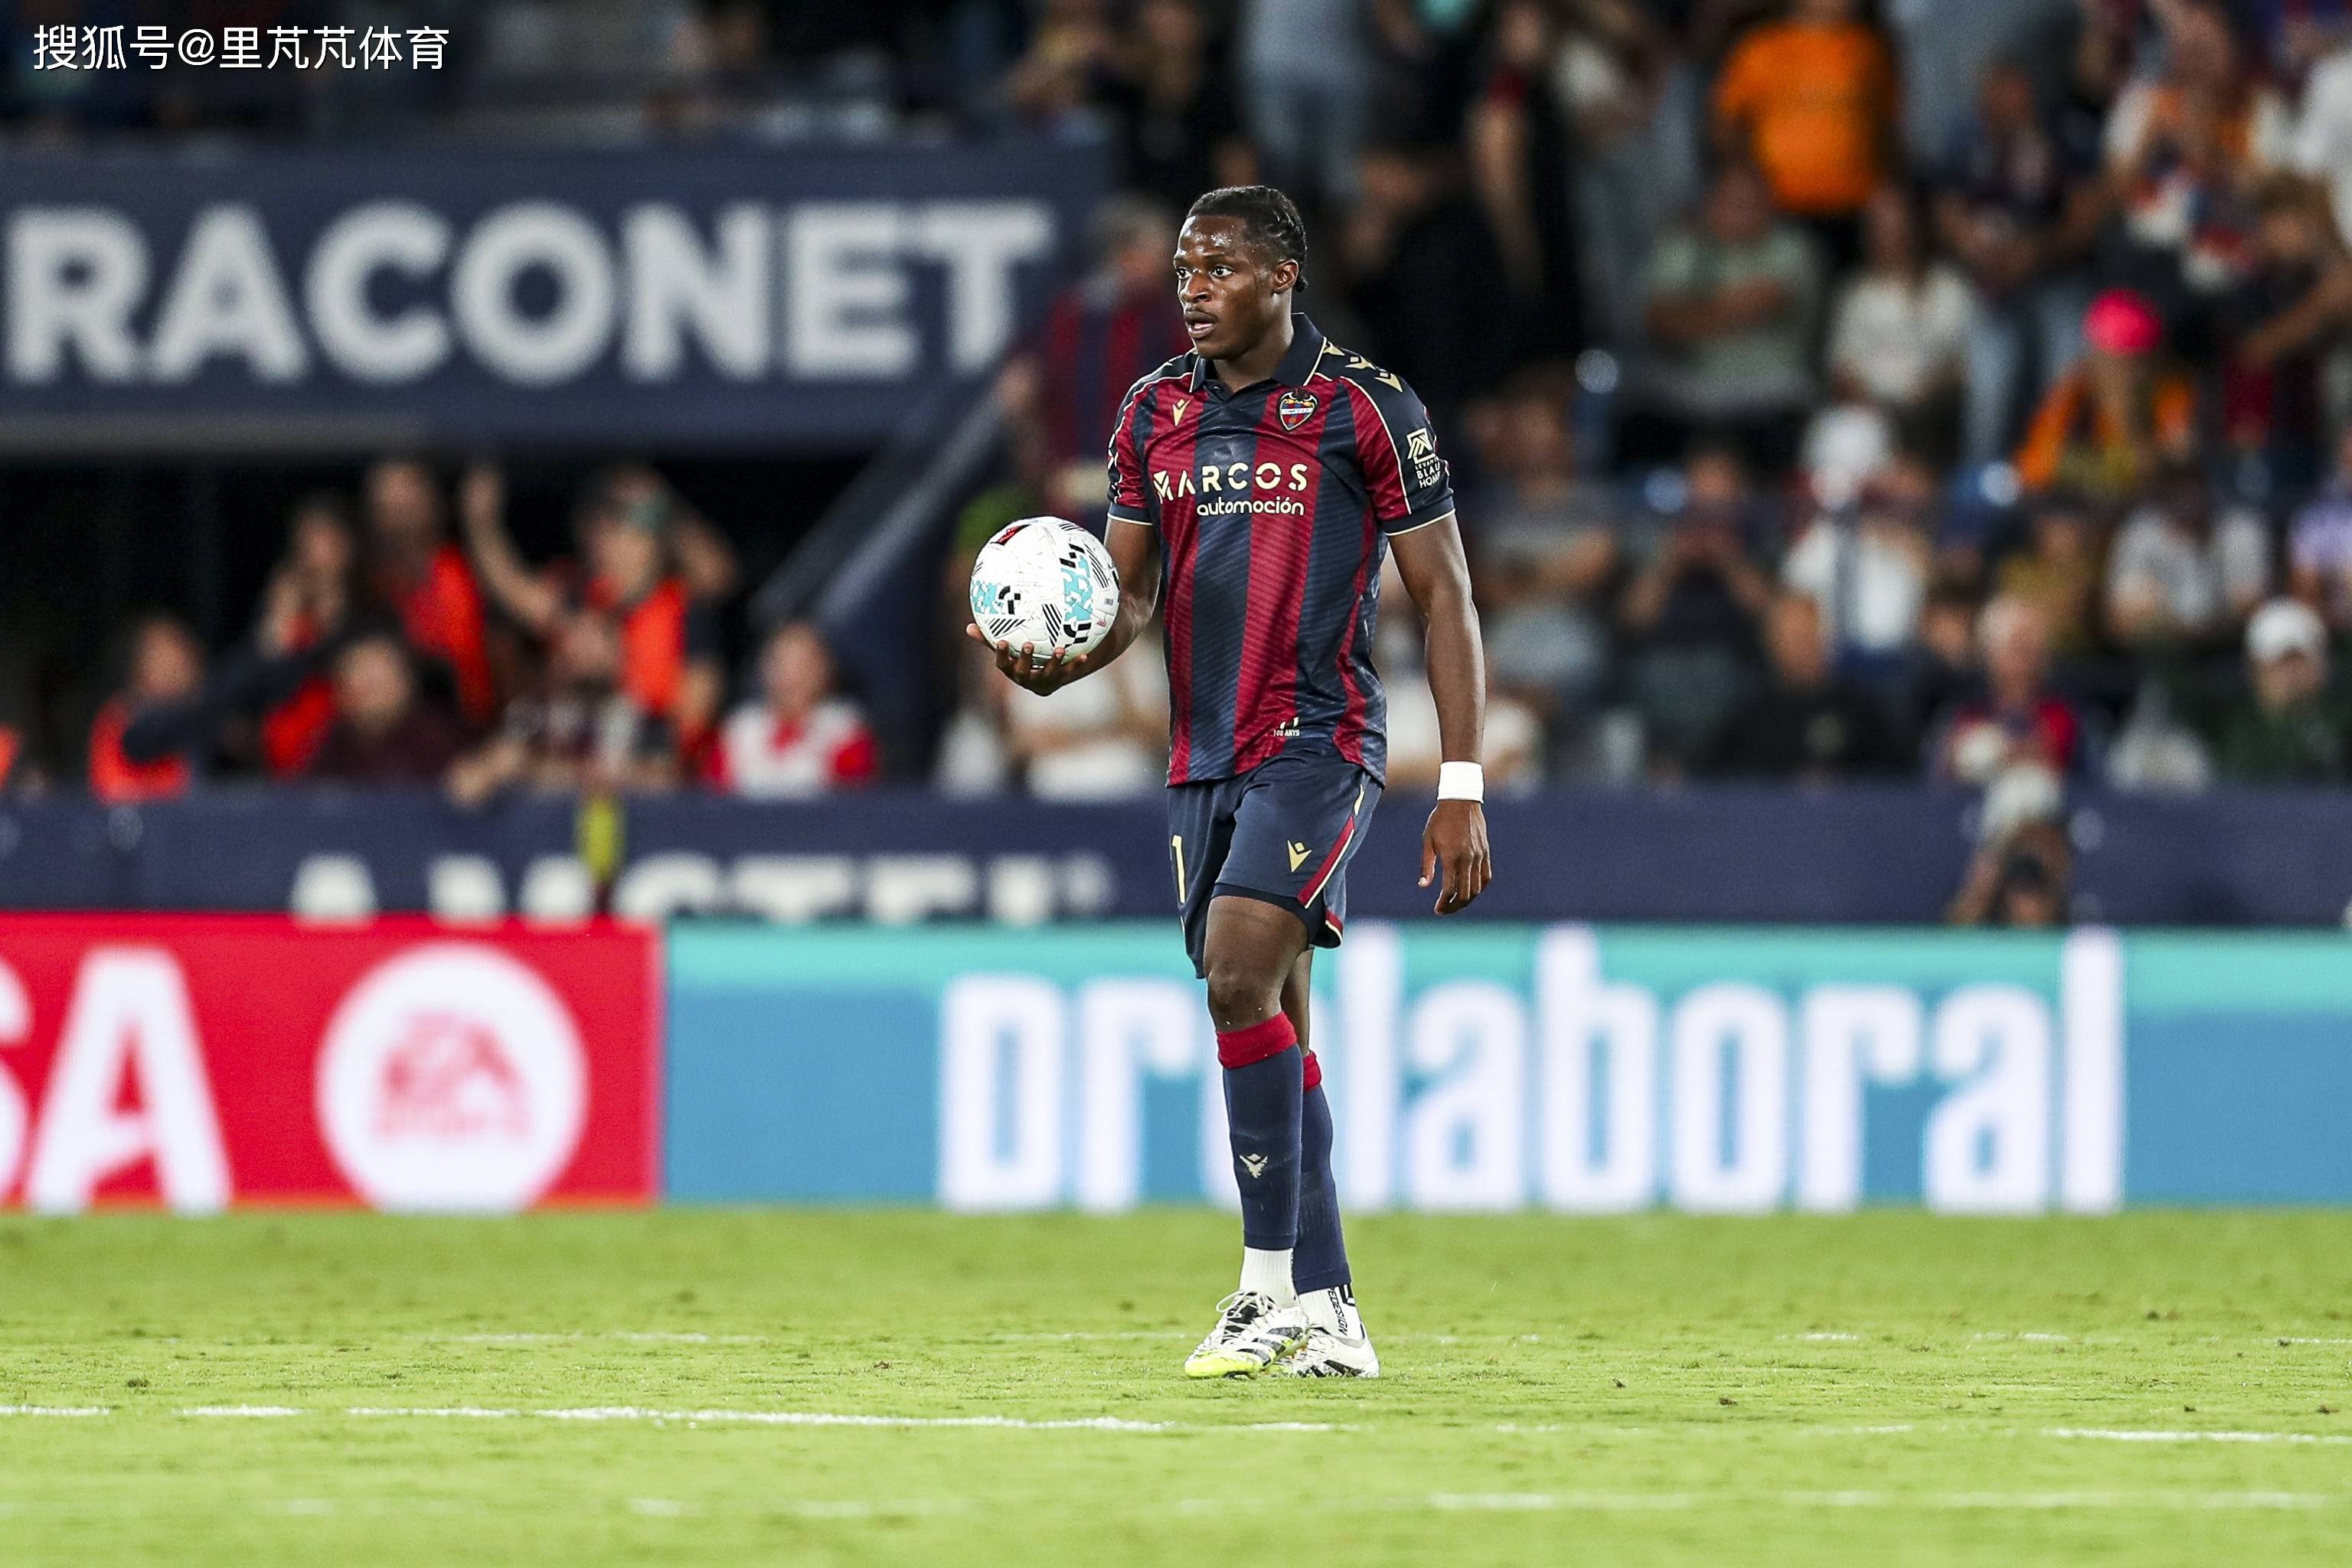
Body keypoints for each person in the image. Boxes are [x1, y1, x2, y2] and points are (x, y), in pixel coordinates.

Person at [975, 186, 1491, 1380]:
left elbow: (1448, 595)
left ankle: (1262, 1294)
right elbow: (1129, 597)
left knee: (1237, 971)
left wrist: (1461, 783)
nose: (1194, 290)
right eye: (1184, 271)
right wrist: (1058, 661)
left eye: (1218, 268)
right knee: (1272, 1015)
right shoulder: (1152, 410)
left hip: (1320, 740)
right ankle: (1332, 1308)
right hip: (1201, 754)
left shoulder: (1368, 406)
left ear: (1282, 277)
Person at [1633, 160, 1824, 472]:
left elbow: (1755, 306)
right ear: (1711, 203)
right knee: (1638, 427)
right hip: (1691, 396)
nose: (1742, 213)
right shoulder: (1683, 246)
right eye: (1733, 202)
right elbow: (1656, 320)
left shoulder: (1792, 249)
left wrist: (1690, 314)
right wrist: (1720, 312)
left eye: (1752, 203)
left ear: (1769, 205)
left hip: (1771, 395)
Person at [1710, 0, 1900, 265]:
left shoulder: (1870, 48)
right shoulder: (1761, 47)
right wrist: (1743, 180)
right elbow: (1726, 122)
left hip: (1856, 205)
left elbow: (1890, 125)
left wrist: (1888, 186)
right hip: (1780, 205)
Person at [447, 612, 678, 805]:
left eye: (595, 644)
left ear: (619, 653)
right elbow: (475, 775)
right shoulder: (536, 713)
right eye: (578, 643)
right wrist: (495, 769)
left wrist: (610, 776)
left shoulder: (646, 718)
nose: (586, 655)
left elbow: (668, 784)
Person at [1827, 185, 1974, 463]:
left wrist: (1931, 389)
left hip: (1937, 412)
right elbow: (1842, 370)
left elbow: (1968, 364)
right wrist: (1873, 408)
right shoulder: (1855, 294)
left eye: (1899, 226)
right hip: (1872, 414)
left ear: (1917, 228)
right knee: (1844, 436)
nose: (1892, 237)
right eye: (1881, 228)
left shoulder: (1950, 287)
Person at [2014, 288, 2197, 501]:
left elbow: (2173, 462)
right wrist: (2109, 467)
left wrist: (2130, 421)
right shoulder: (2075, 389)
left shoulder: (2172, 391)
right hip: (2082, 506)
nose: (2127, 374)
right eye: (2117, 361)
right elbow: (2034, 466)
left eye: (2136, 363)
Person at [1706, 593, 1909, 779]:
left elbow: (1898, 777)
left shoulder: (1860, 711)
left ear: (1824, 638)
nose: (1798, 647)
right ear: (1771, 643)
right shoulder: (1750, 719)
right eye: (1788, 637)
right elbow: (1713, 782)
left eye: (1804, 635)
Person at [363, 459, 495, 727]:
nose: (400, 519)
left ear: (431, 505)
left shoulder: (462, 571)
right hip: (395, 730)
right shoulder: (369, 586)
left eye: (407, 505)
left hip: (466, 723)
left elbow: (465, 658)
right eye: (388, 509)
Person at [710, 622, 881, 799]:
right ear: (765, 669)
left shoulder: (844, 729)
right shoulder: (740, 729)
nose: (794, 677)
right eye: (783, 664)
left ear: (826, 669)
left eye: (805, 665)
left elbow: (855, 801)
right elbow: (715, 800)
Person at [2204, 596, 2350, 782]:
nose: (2291, 676)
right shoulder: (2237, 733)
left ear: (2322, 667)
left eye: (2299, 662)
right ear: (2255, 671)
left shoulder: (2344, 731)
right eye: (2279, 664)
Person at [305, 630, 465, 786]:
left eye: (377, 679)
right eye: (355, 670)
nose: (365, 683)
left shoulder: (436, 736)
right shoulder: (335, 743)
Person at [89, 616, 205, 802]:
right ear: (139, 668)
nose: (175, 673)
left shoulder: (208, 719)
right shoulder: (121, 718)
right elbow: (114, 793)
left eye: (181, 661)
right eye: (163, 662)